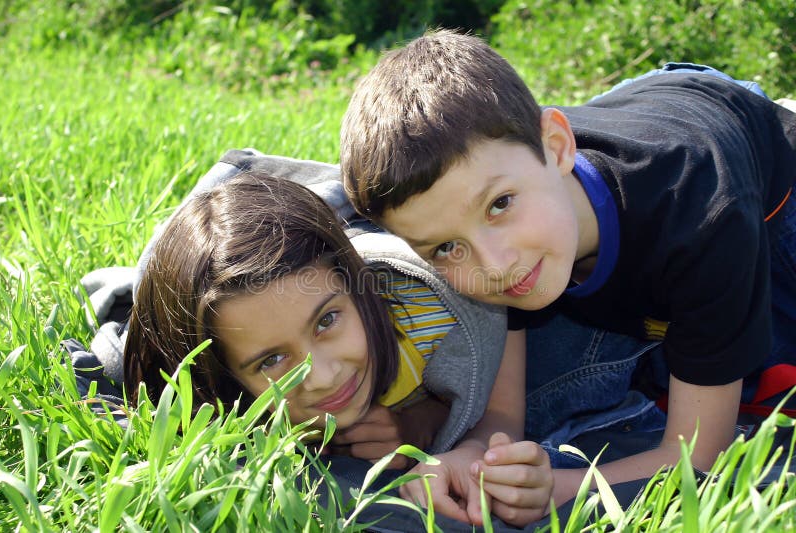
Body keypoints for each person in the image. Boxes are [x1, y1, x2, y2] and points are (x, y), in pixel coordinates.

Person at [340, 29, 796, 508]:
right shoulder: (512, 217)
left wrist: (558, 488)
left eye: (500, 205)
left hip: (749, 157)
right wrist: (471, 459)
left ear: (557, 147)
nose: (495, 265)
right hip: (637, 109)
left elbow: (699, 458)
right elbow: (501, 417)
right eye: (446, 248)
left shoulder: (703, 215)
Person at [123, 168, 554, 526]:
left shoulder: (437, 311)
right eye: (272, 360)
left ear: (357, 288)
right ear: (225, 376)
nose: (324, 375)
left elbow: (499, 397)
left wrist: (422, 426)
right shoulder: (216, 404)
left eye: (327, 321)